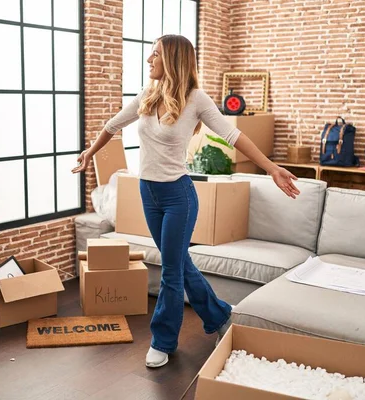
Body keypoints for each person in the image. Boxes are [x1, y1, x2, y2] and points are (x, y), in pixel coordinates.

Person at [72, 34, 300, 368]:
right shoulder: (148, 96)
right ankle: (221, 317)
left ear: (174, 60)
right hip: (147, 193)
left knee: (171, 271)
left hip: (179, 196)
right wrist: (89, 151)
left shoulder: (197, 99)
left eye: (155, 55)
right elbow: (112, 125)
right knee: (179, 262)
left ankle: (163, 341)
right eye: (150, 55)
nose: (149, 60)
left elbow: (234, 135)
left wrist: (272, 168)